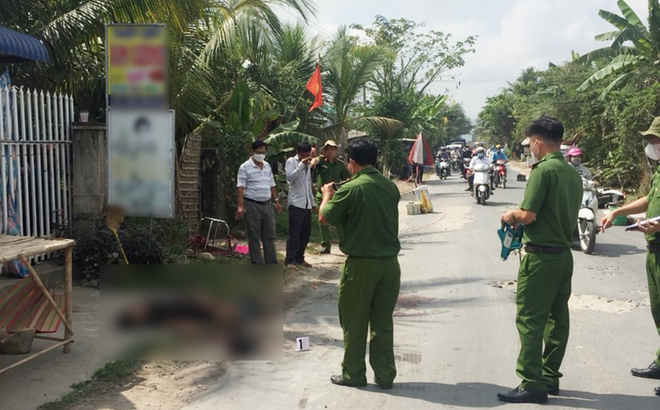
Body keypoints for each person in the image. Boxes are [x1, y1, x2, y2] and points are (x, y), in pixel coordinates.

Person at [499, 116, 582, 404]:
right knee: (557, 318)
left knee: (530, 320)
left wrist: (512, 214)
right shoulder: (572, 173)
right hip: (563, 256)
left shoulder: (542, 171)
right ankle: (549, 376)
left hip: (541, 258)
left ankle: (532, 382)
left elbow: (528, 215)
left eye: (530, 144)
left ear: (537, 142)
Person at [319, 138, 401, 389]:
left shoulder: (350, 189)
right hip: (389, 265)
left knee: (355, 322)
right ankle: (385, 375)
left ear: (351, 162)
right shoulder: (390, 186)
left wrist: (327, 195)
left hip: (361, 265)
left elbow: (325, 217)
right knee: (383, 321)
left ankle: (354, 374)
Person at [601, 116, 660, 398]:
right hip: (654, 249)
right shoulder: (659, 171)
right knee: (658, 310)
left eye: (655, 140)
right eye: (649, 140)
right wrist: (617, 211)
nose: (651, 145)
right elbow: (650, 199)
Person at [236, 140, 283, 265]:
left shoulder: (267, 165)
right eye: (259, 152)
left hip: (267, 204)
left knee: (269, 236)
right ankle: (257, 264)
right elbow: (240, 187)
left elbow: (272, 184)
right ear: (252, 152)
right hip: (252, 205)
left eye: (263, 152)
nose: (261, 155)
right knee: (254, 236)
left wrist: (276, 201)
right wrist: (240, 206)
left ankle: (271, 263)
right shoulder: (245, 167)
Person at [311, 140, 351, 254]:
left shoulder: (340, 165)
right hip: (321, 194)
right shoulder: (321, 161)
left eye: (332, 149)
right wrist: (313, 161)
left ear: (336, 151)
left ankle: (343, 243)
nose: (330, 151)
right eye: (327, 149)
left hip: (335, 195)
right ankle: (325, 245)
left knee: (338, 219)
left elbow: (347, 179)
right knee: (322, 219)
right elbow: (315, 160)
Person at [284, 142, 316, 269]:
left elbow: (308, 185)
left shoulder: (309, 165)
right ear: (298, 153)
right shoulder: (292, 161)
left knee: (305, 233)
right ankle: (289, 259)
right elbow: (290, 177)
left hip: (306, 203)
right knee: (294, 233)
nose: (306, 157)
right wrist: (301, 165)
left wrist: (312, 202)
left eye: (308, 155)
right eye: (303, 155)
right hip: (296, 203)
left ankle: (300, 257)